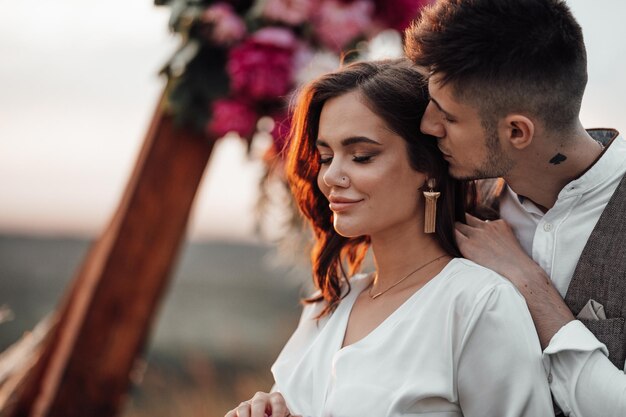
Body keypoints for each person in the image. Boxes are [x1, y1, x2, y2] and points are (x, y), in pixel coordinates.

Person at [224, 59, 553, 417]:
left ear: (427, 165)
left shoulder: (478, 304)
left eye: (361, 157)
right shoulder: (330, 305)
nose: (332, 175)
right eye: (326, 156)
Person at [404, 1, 626, 416]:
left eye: (448, 117)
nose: (427, 126)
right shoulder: (458, 201)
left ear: (517, 131)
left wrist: (530, 287)